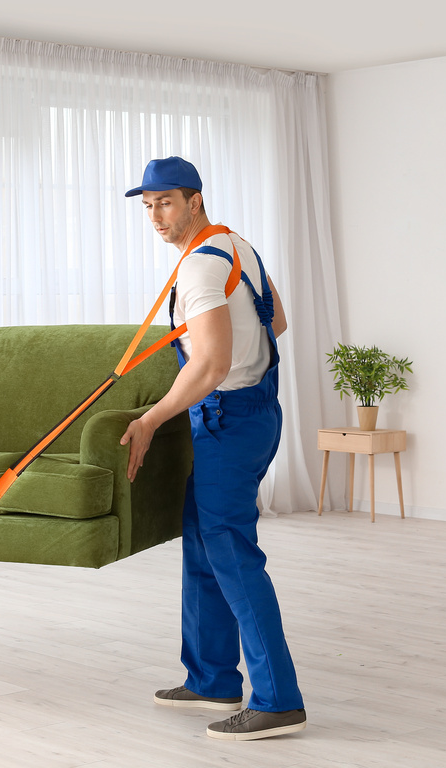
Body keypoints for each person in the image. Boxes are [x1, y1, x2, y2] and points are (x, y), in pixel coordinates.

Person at [120, 157, 306, 740]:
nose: (155, 215)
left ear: (195, 200)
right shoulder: (235, 245)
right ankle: (211, 678)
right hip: (254, 413)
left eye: (166, 202)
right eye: (147, 205)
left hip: (225, 419)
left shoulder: (200, 266)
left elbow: (210, 364)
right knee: (203, 540)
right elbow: (276, 320)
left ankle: (277, 698)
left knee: (230, 552)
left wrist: (150, 420)